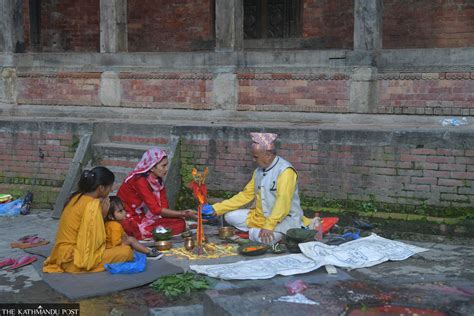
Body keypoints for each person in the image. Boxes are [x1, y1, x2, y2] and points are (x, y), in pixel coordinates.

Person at [202, 132, 311, 245]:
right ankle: (258, 232)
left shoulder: (285, 171)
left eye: (256, 157)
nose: (254, 160)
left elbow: (282, 202)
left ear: (268, 155)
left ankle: (261, 233)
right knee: (229, 217)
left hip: (283, 219)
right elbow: (245, 195)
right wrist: (217, 208)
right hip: (261, 217)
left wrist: (269, 226)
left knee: (267, 240)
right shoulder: (258, 171)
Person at [43, 167, 134, 273]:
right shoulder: (92, 205)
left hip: (61, 254)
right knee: (126, 252)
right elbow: (92, 244)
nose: (111, 190)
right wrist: (103, 217)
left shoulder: (76, 196)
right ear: (101, 188)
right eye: (110, 187)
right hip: (74, 260)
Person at [117, 147, 196, 240]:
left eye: (167, 165)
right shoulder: (139, 180)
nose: (166, 169)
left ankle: (153, 231)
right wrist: (183, 213)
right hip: (127, 218)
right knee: (132, 228)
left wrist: (183, 215)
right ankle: (143, 233)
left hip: (141, 217)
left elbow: (164, 208)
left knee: (180, 223)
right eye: (163, 166)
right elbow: (155, 210)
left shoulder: (158, 181)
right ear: (152, 167)